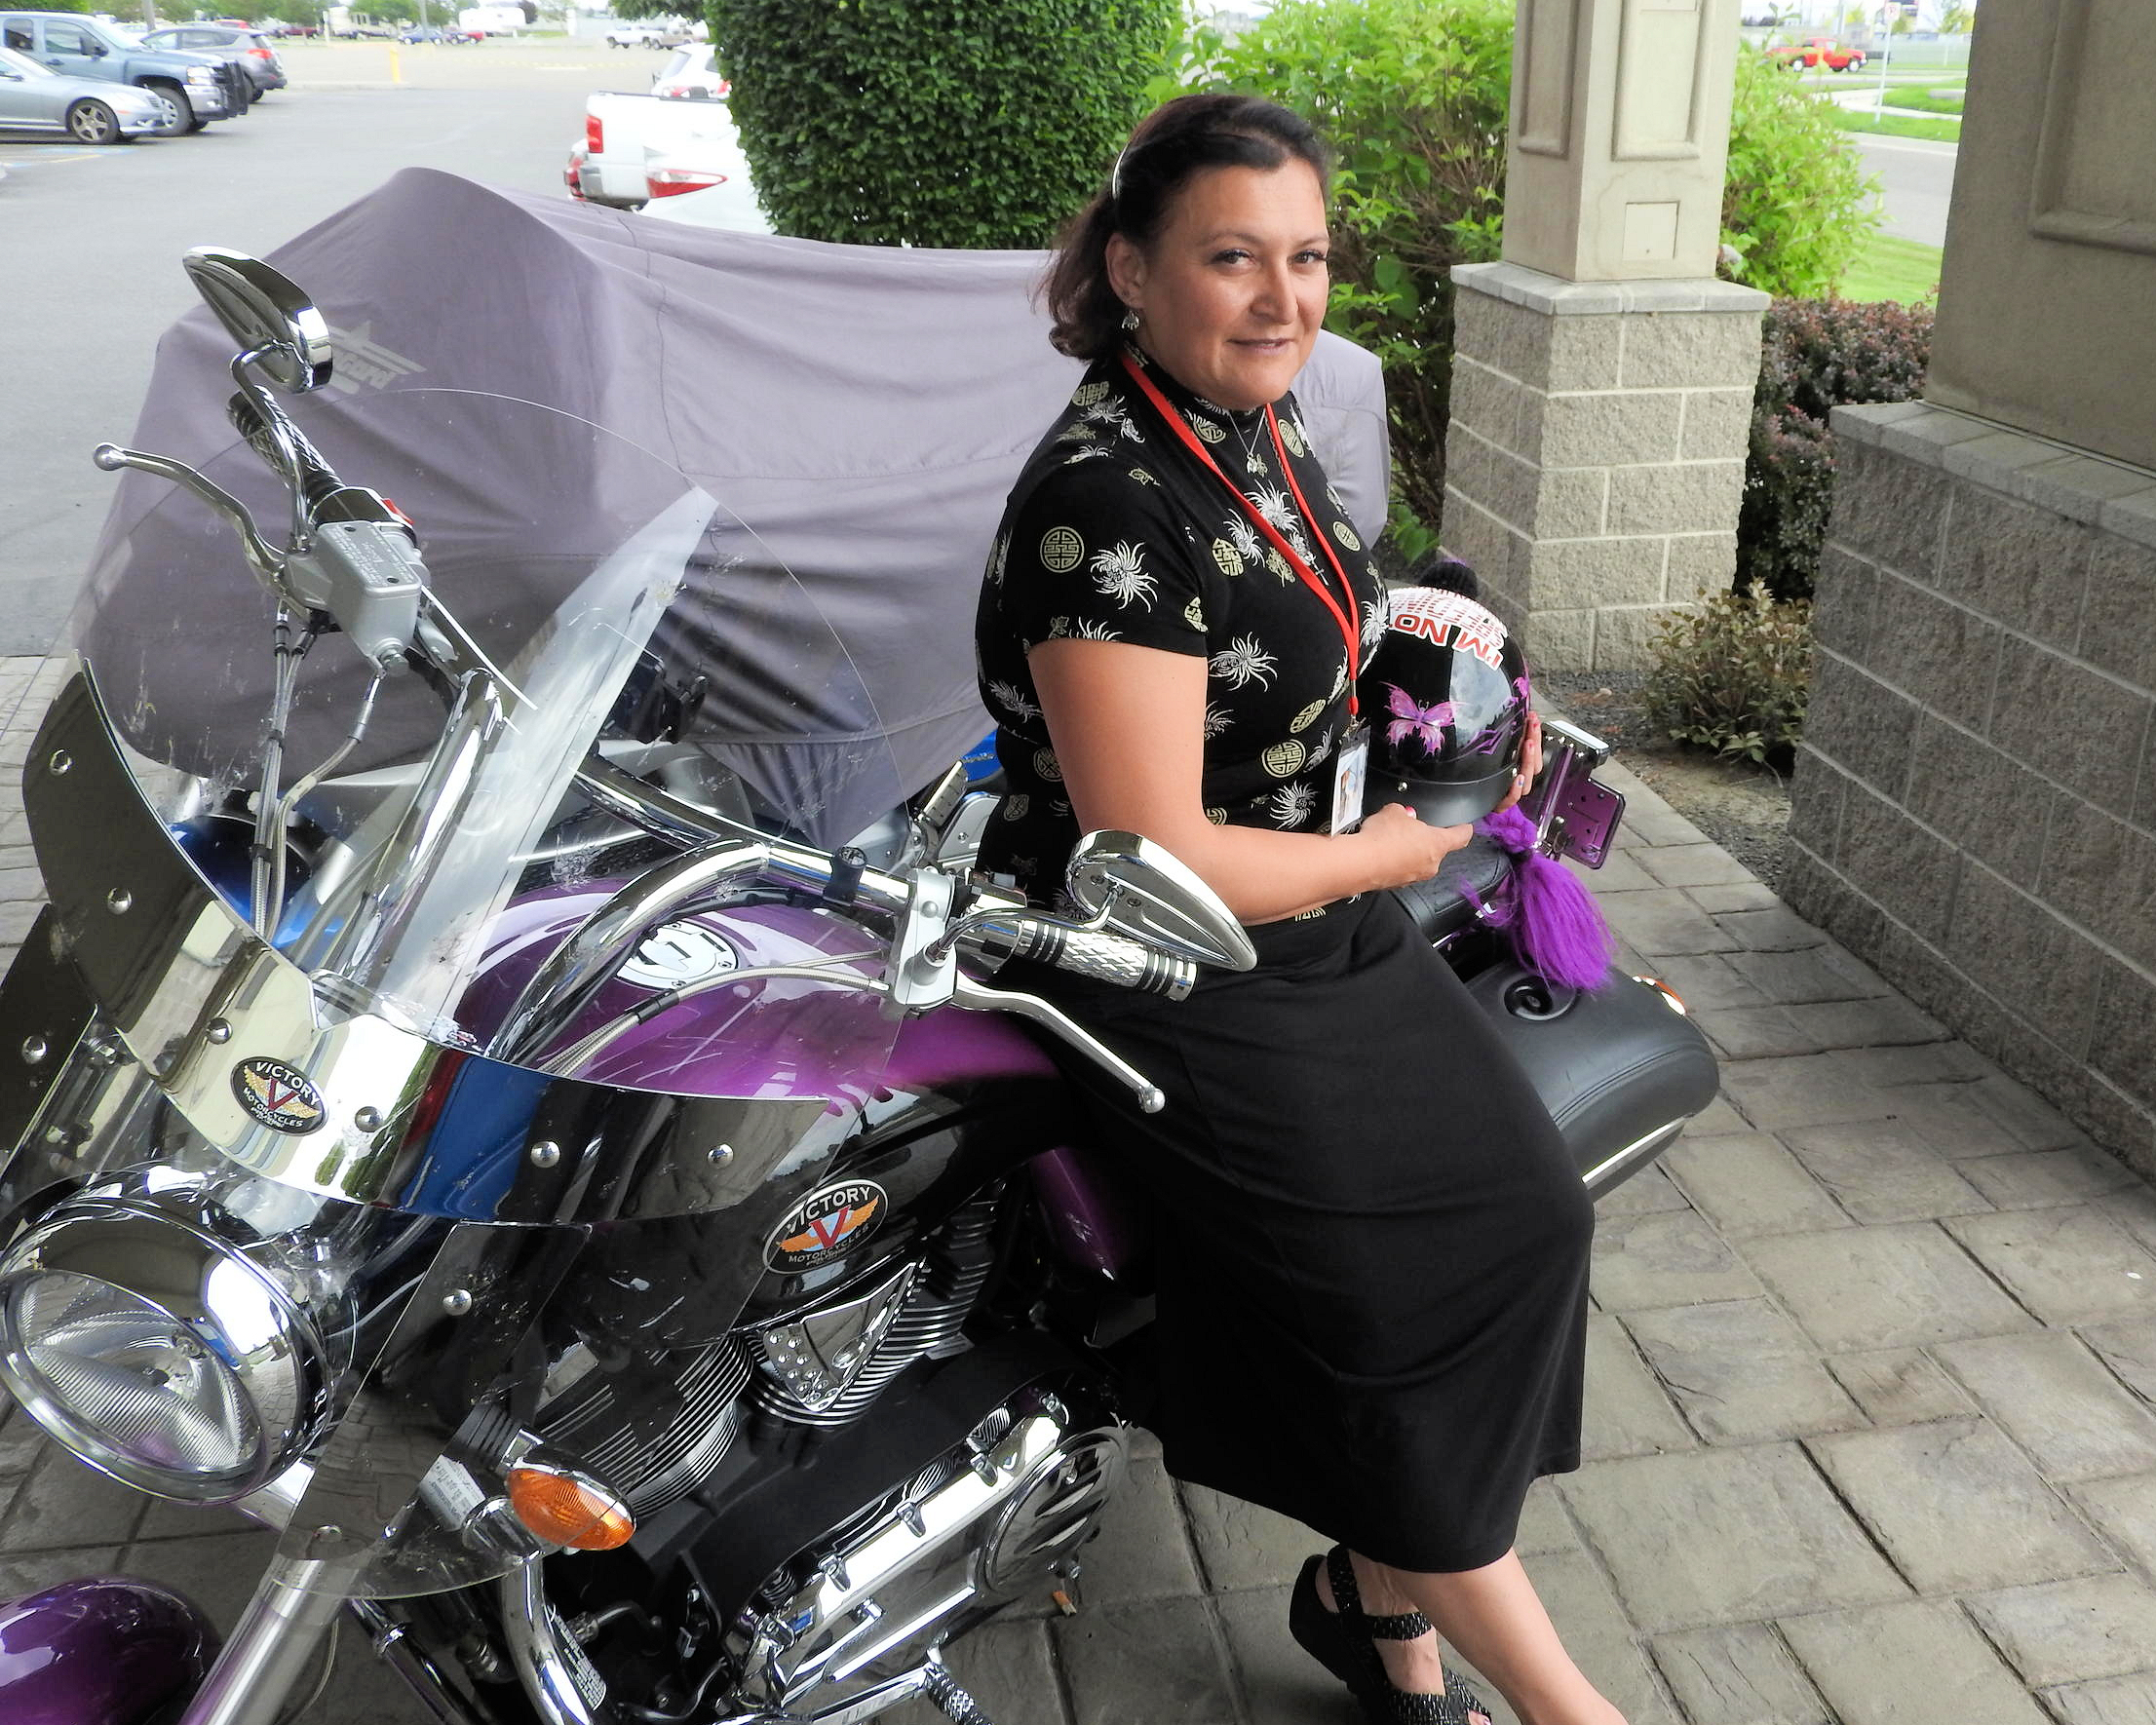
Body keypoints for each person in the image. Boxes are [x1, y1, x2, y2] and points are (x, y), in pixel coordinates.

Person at [972, 94, 1617, 1725]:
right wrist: (1400, 852)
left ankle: (1367, 1586)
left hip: (1308, 910)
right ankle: (1566, 1706)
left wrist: (1468, 677)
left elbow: (1340, 591)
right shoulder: (1105, 500)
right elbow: (1160, 850)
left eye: (1308, 257)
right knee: (1389, 1314)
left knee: (1532, 1212)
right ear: (1129, 269)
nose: (1286, 298)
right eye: (1232, 259)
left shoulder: (1253, 424)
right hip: (1150, 950)